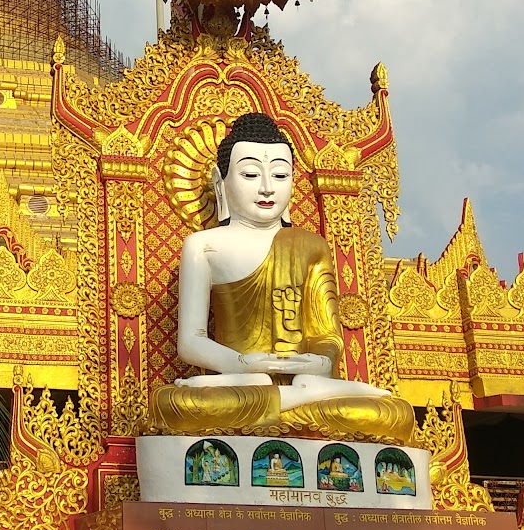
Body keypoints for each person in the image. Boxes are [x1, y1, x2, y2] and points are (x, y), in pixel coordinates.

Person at [150, 112, 415, 444]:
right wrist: (243, 364)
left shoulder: (311, 246)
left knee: (393, 413)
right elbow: (190, 342)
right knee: (175, 405)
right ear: (221, 181)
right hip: (240, 383)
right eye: (249, 173)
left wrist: (320, 361)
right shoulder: (203, 246)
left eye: (280, 174)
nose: (266, 188)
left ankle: (292, 397)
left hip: (303, 382)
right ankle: (291, 399)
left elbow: (327, 336)